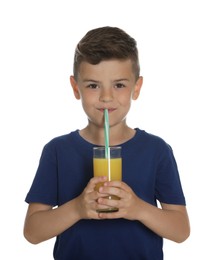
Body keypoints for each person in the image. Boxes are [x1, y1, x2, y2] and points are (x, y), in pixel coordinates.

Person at [23, 26, 190, 259]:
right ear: (75, 87)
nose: (106, 97)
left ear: (137, 87)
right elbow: (32, 232)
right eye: (93, 85)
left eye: (119, 85)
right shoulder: (57, 151)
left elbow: (181, 230)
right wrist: (78, 208)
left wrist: (137, 208)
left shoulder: (156, 150)